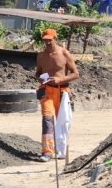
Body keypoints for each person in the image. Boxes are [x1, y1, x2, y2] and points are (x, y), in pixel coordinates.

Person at [35, 28, 80, 162]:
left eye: (50, 40)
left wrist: (60, 79)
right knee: (47, 120)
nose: (48, 43)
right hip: (47, 90)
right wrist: (39, 78)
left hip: (62, 91)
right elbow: (38, 72)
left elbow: (76, 73)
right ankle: (47, 151)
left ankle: (61, 150)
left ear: (55, 39)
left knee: (62, 122)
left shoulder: (64, 53)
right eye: (45, 40)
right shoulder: (41, 56)